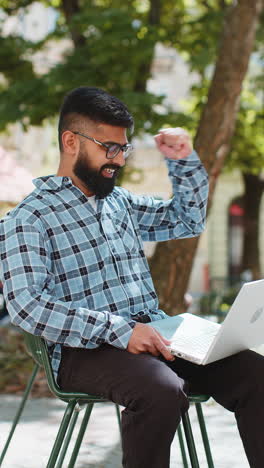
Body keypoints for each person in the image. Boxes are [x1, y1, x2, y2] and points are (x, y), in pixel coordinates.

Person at [0, 87, 264, 468]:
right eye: (110, 147)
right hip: (82, 350)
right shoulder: (28, 219)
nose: (119, 159)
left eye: (124, 148)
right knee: (162, 391)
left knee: (255, 375)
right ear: (71, 141)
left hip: (156, 333)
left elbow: (185, 219)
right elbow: (28, 307)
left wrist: (184, 161)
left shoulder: (118, 203)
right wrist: (120, 330)